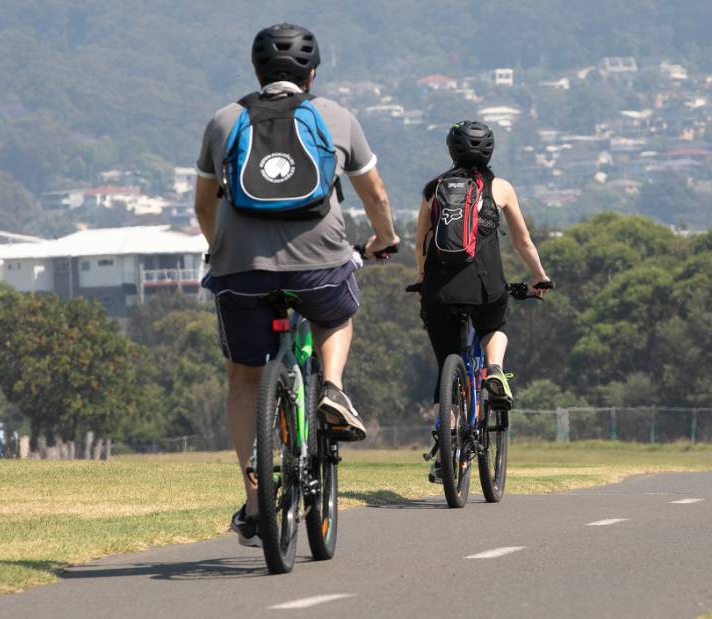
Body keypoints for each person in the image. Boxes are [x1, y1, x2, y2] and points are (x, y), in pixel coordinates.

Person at [194, 22, 399, 547]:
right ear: (312, 73)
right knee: (336, 314)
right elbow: (373, 193)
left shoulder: (224, 120)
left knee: (243, 376)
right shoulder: (335, 117)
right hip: (319, 261)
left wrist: (221, 250)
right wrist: (385, 238)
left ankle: (257, 500)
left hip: (240, 269)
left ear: (257, 71)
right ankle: (330, 389)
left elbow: (203, 205)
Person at [413, 121, 551, 479]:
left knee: (448, 361)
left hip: (439, 291)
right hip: (485, 285)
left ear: (451, 151)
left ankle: (447, 447)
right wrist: (539, 277)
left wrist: (420, 278)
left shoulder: (434, 188)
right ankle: (493, 370)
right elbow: (523, 242)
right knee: (496, 324)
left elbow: (421, 246)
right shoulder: (500, 188)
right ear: (490, 152)